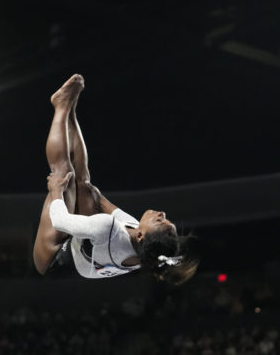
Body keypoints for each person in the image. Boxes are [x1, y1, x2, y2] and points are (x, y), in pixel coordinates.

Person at [33, 74, 201, 282]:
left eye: (161, 221)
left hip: (53, 260)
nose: (162, 213)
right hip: (88, 245)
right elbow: (95, 195)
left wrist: (56, 192)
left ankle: (61, 106)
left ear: (141, 236)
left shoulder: (110, 229)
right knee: (84, 185)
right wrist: (87, 190)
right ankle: (71, 111)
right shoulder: (144, 245)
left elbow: (59, 220)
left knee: (63, 177)